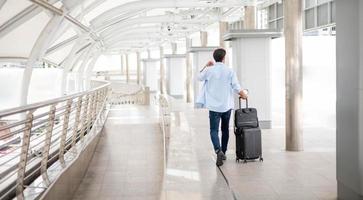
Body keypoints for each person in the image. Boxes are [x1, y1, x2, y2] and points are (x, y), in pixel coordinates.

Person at [197, 48, 247, 167]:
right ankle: (223, 152)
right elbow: (236, 86)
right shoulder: (229, 71)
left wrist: (205, 66)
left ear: (214, 58)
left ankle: (218, 150)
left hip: (214, 107)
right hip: (226, 106)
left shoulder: (209, 70)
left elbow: (199, 77)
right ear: (224, 58)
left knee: (214, 130)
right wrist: (243, 94)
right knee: (225, 130)